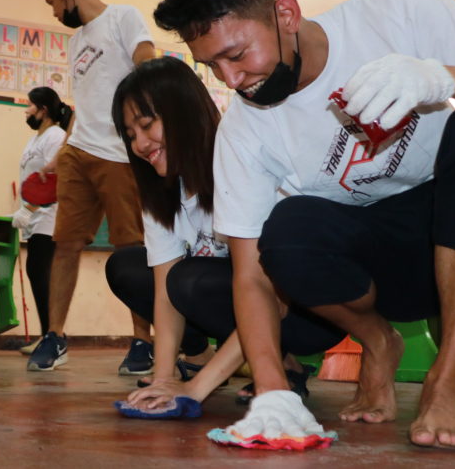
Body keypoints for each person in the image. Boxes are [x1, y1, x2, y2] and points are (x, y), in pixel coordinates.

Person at [155, 0, 455, 448]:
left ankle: (448, 379)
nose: (231, 81)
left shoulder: (396, 13)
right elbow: (249, 276)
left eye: (236, 55)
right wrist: (272, 393)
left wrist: (442, 78)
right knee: (287, 229)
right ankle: (379, 342)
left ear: (286, 14)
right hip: (377, 270)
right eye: (211, 66)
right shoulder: (243, 131)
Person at [106, 56, 344, 407]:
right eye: (131, 135)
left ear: (183, 112)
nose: (141, 144)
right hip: (237, 301)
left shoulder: (238, 159)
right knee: (129, 268)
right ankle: (213, 358)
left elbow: (274, 297)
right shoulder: (161, 192)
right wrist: (163, 379)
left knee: (190, 280)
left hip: (308, 312)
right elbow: (164, 294)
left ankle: (280, 363)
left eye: (147, 125)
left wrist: (197, 389)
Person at [28, 0, 157, 374]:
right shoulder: (75, 40)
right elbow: (84, 101)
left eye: (52, 2)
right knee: (63, 243)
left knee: (130, 247)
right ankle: (56, 335)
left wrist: (143, 132)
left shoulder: (123, 16)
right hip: (77, 152)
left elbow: (148, 66)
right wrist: (62, 151)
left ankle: (143, 341)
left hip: (120, 154)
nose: (53, 12)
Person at [11, 87, 71, 355]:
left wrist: (29, 208)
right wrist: (24, 209)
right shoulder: (36, 139)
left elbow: (53, 180)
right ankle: (49, 333)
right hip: (36, 217)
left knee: (40, 271)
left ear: (43, 110)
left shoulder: (56, 137)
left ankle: (54, 335)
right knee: (38, 272)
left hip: (50, 217)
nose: (26, 110)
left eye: (29, 105)